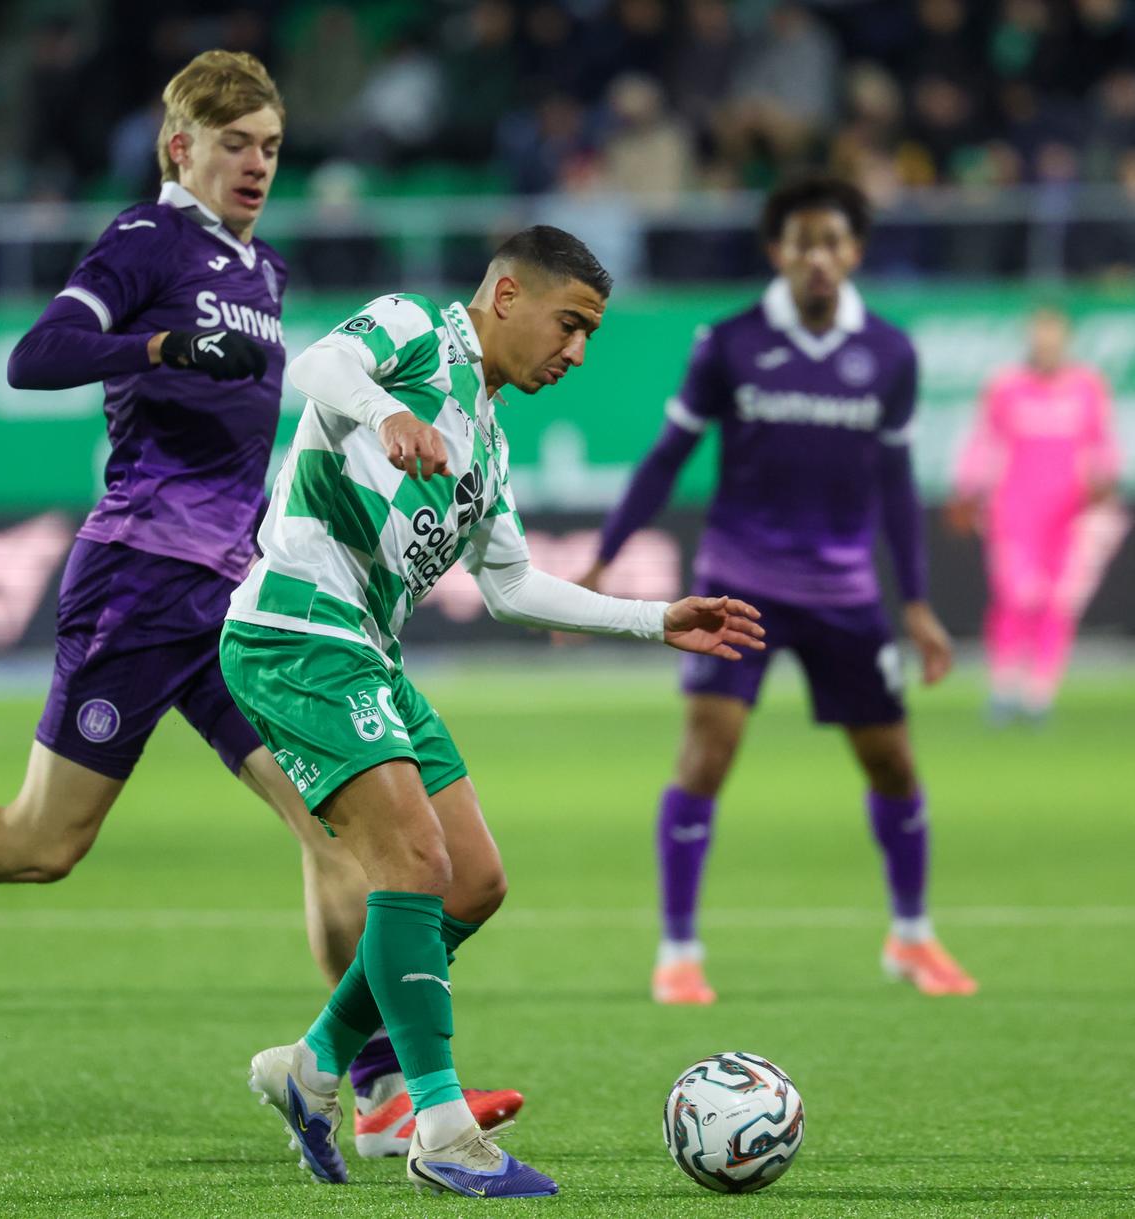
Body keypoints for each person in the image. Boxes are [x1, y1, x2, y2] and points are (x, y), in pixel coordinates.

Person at [0, 51, 519, 1150]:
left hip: (236, 598)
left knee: (339, 825)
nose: (259, 165)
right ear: (182, 148)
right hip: (140, 578)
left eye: (272, 147)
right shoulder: (148, 242)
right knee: (43, 839)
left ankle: (373, 1091)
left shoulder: (262, 274)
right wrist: (163, 341)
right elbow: (39, 356)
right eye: (237, 145)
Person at [227, 226, 766, 1197]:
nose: (577, 352)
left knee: (471, 881)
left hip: (369, 653)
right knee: (414, 861)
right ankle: (438, 1131)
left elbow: (512, 588)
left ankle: (308, 1070)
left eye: (591, 335)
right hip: (296, 627)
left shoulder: (487, 435)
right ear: (508, 295)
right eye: (570, 324)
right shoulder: (412, 333)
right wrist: (387, 412)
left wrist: (656, 618)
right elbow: (317, 361)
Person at [576, 177, 978, 1005]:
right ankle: (678, 952)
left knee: (893, 762)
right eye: (803, 243)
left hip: (845, 592)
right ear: (777, 252)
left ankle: (912, 936)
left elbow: (897, 484)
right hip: (740, 585)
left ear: (855, 251)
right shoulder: (729, 341)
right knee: (707, 756)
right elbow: (666, 457)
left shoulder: (891, 354)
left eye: (834, 242)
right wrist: (605, 556)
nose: (819, 258)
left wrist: (916, 602)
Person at [949, 307, 1118, 723]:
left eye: (1053, 340)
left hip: (1069, 512)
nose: (1046, 348)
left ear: (1065, 341)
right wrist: (968, 489)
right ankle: (1004, 686)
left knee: (1058, 600)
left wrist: (1106, 483)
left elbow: (1102, 444)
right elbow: (983, 442)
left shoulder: (1087, 387)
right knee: (1015, 595)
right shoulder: (1006, 387)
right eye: (1039, 339)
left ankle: (1040, 692)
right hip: (1014, 510)